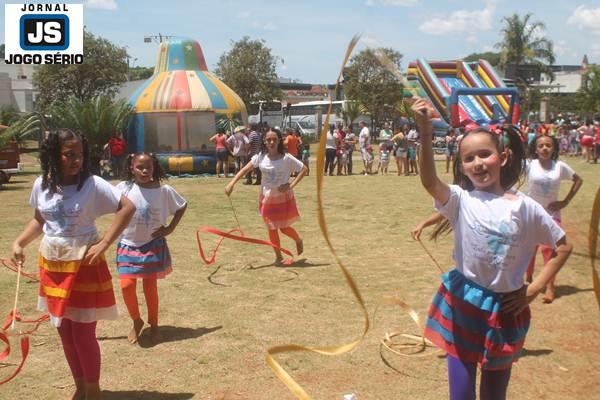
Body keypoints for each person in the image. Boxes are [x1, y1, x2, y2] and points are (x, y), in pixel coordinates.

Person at [412, 98, 572, 400]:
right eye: (469, 158)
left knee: (493, 394)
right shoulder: (461, 199)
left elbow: (564, 247)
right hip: (462, 303)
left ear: (504, 156)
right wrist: (424, 129)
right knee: (460, 394)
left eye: (485, 154)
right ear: (461, 165)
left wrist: (534, 288)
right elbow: (430, 181)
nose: (478, 163)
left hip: (505, 309)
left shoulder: (526, 208)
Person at [12, 129, 136, 400]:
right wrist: (20, 242)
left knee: (82, 332)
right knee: (64, 330)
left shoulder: (93, 184)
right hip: (53, 266)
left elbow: (127, 208)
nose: (76, 160)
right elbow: (40, 220)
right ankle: (80, 386)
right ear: (53, 155)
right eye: (69, 154)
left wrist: (104, 242)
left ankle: (93, 390)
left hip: (83, 265)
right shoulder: (41, 184)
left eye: (79, 154)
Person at [116, 152, 187, 344]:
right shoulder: (124, 188)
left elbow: (182, 206)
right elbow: (108, 203)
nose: (145, 170)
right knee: (126, 285)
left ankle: (154, 325)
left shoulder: (164, 191)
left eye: (148, 166)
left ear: (154, 167)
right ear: (132, 168)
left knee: (150, 287)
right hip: (127, 244)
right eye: (140, 167)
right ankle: (136, 321)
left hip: (151, 246)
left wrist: (170, 227)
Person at [225, 128, 308, 264]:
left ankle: (298, 240)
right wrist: (231, 183)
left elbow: (304, 169)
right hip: (267, 198)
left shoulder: (286, 158)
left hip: (282, 198)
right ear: (264, 141)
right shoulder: (261, 157)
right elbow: (245, 169)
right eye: (268, 139)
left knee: (284, 228)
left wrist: (290, 185)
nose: (271, 142)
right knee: (271, 227)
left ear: (279, 140)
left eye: (274, 139)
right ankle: (278, 256)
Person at [525, 135, 582, 302]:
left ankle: (550, 286)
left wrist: (565, 201)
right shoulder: (530, 165)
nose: (544, 148)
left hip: (551, 214)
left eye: (548, 145)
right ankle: (527, 278)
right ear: (535, 149)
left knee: (549, 248)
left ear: (554, 148)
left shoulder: (560, 167)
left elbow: (578, 180)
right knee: (529, 248)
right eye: (541, 145)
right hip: (532, 212)